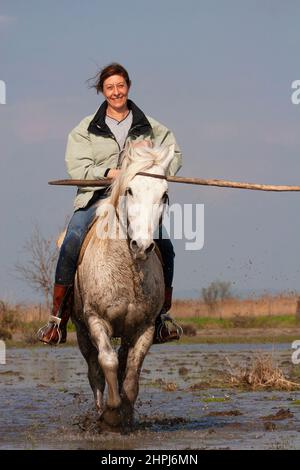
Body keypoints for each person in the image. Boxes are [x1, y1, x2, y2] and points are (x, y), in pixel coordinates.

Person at [38, 63, 183, 345]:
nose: (116, 92)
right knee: (73, 239)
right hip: (96, 197)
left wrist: (151, 159)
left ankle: (161, 317)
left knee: (165, 244)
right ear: (102, 92)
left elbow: (173, 155)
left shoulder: (151, 127)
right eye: (110, 87)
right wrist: (107, 174)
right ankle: (58, 318)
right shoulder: (85, 129)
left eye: (120, 86)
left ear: (128, 86)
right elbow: (76, 165)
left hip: (136, 200)